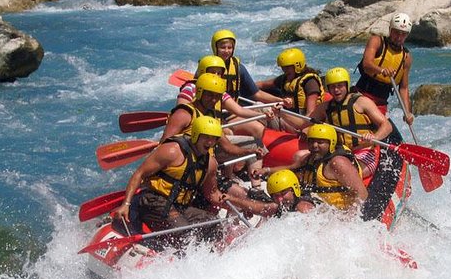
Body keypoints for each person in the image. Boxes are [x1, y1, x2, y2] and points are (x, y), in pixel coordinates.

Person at [113, 116, 277, 250]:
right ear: (196, 135)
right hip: (154, 199)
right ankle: (170, 254)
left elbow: (213, 194)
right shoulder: (172, 151)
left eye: (213, 139)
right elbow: (139, 174)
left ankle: (208, 258)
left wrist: (238, 205)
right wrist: (126, 203)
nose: (210, 142)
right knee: (185, 233)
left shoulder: (210, 163)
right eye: (206, 137)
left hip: (179, 205)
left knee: (214, 226)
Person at [281, 67, 393, 179]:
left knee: (341, 170)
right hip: (338, 152)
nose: (336, 90)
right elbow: (301, 123)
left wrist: (374, 137)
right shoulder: (325, 107)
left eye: (340, 86)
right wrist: (281, 113)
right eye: (333, 87)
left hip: (363, 151)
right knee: (299, 156)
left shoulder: (362, 102)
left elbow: (387, 126)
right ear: (328, 89)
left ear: (346, 85)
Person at [354, 12, 414, 126]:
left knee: (393, 137)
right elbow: (366, 64)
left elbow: (404, 88)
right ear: (390, 30)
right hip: (362, 95)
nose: (399, 37)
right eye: (396, 32)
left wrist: (407, 112)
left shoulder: (406, 57)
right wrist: (381, 70)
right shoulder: (377, 41)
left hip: (381, 103)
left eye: (403, 34)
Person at [211, 29, 287, 106]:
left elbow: (257, 94)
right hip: (215, 112)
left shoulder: (238, 68)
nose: (227, 51)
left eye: (229, 48)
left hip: (233, 111)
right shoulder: (207, 67)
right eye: (223, 48)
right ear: (215, 48)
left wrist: (281, 101)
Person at [257, 47, 325, 117]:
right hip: (288, 115)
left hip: (300, 119)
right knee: (260, 98)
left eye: (287, 67)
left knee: (259, 106)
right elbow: (262, 84)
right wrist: (247, 86)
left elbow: (310, 113)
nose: (284, 70)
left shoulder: (310, 82)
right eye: (283, 67)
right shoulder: (285, 78)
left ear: (298, 65)